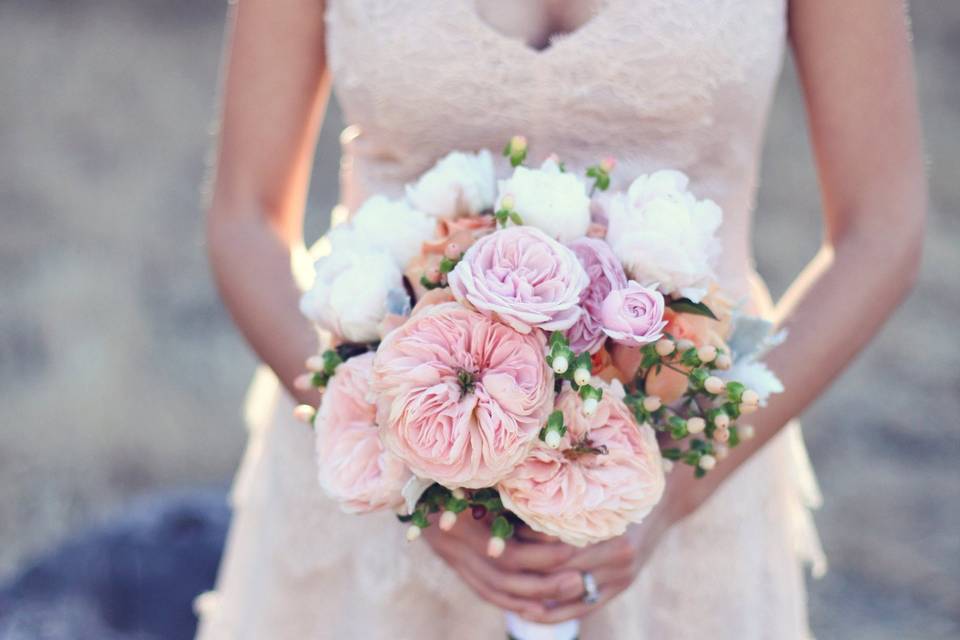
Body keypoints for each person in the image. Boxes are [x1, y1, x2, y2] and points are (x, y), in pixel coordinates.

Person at [196, 1, 926, 638]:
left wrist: (679, 489)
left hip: (687, 482)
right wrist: (395, 460)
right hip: (376, 509)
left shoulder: (685, 485)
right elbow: (246, 215)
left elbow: (880, 228)